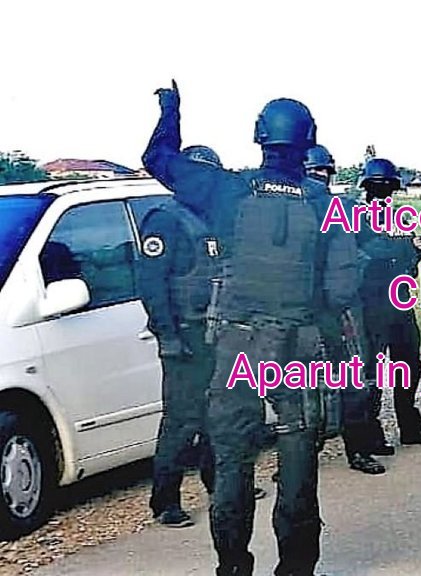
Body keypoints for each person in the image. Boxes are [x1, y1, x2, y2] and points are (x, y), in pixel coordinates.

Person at [142, 79, 361, 576]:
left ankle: (234, 568)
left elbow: (157, 158)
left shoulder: (227, 189)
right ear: (309, 140)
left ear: (259, 137)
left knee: (232, 466)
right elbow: (343, 288)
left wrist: (171, 110)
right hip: (300, 348)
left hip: (237, 346)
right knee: (298, 469)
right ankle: (296, 568)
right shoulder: (327, 204)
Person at [137, 147, 220, 527]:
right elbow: (152, 285)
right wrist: (167, 336)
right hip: (185, 336)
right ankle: (165, 501)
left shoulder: (212, 217)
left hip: (216, 334)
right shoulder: (165, 220)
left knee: (219, 416)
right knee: (182, 422)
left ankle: (220, 485)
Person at [303, 144, 384, 475]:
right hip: (306, 311)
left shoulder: (345, 209)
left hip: (342, 307)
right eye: (313, 172)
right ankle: (301, 457)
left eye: (323, 171)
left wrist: (356, 268)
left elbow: (372, 242)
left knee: (354, 384)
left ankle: (358, 451)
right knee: (306, 388)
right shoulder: (289, 207)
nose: (319, 177)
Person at [357, 157, 421, 458]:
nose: (383, 192)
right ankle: (370, 432)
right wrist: (402, 248)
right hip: (370, 304)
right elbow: (367, 255)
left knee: (409, 366)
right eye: (377, 186)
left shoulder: (400, 219)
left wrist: (417, 251)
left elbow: (407, 261)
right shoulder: (357, 219)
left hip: (400, 301)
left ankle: (410, 426)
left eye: (388, 187)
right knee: (371, 371)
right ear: (366, 188)